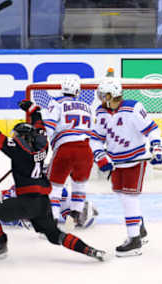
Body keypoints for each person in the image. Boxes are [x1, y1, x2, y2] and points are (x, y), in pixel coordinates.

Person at [0, 99, 105, 261]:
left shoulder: (18, 150)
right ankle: (88, 250)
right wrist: (33, 111)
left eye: (17, 136)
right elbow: (40, 127)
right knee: (55, 235)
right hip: (43, 203)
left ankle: (0, 245)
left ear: (23, 137)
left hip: (26, 203)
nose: (14, 138)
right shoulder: (43, 146)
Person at [90, 79, 162, 257]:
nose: (99, 98)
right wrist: (100, 156)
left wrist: (157, 148)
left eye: (102, 95)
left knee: (130, 199)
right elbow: (95, 139)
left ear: (110, 95)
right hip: (116, 163)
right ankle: (140, 227)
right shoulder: (101, 112)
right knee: (123, 197)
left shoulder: (133, 108)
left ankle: (135, 240)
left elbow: (152, 129)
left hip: (135, 161)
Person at [42, 76, 94, 229]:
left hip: (65, 149)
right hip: (86, 150)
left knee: (55, 187)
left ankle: (52, 221)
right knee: (79, 185)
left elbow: (49, 127)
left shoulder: (56, 103)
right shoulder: (87, 106)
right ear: (77, 92)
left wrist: (41, 144)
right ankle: (75, 216)